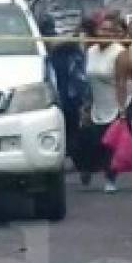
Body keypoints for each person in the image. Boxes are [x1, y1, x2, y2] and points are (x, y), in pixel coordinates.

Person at [82, 12, 132, 192]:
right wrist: (87, 105)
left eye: (110, 31)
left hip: (116, 103)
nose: (105, 33)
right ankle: (87, 169)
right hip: (97, 102)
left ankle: (110, 178)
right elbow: (87, 80)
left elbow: (121, 82)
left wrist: (122, 110)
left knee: (110, 144)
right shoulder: (90, 51)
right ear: (96, 31)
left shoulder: (120, 53)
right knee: (93, 142)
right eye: (102, 30)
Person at [44, 15, 89, 183]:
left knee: (72, 130)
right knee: (69, 130)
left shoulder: (64, 47)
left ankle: (81, 163)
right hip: (62, 94)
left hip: (67, 94)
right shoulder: (46, 44)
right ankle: (80, 163)